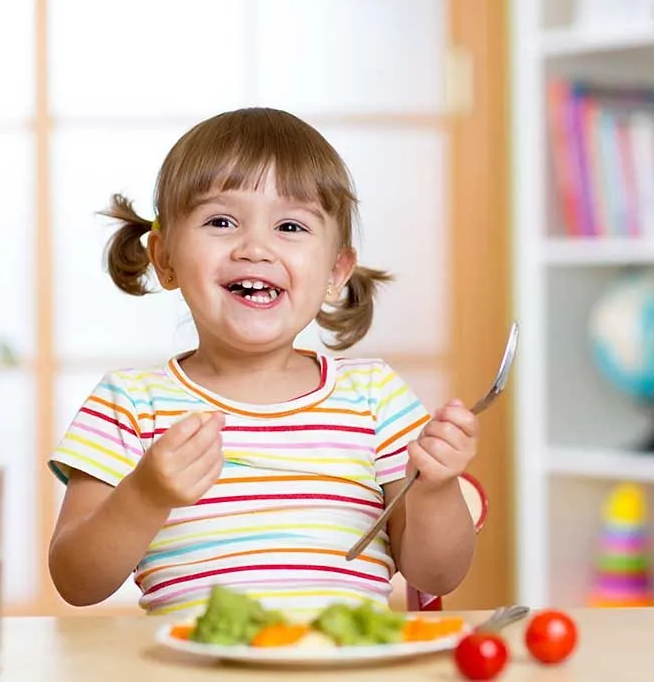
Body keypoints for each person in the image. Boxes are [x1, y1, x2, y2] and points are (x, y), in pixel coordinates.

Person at [47, 107, 479, 618]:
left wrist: (435, 488)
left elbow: (436, 574)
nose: (255, 248)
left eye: (291, 226)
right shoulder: (130, 403)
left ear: (336, 271)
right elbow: (76, 580)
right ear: (164, 259)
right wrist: (144, 495)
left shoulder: (374, 396)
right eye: (221, 221)